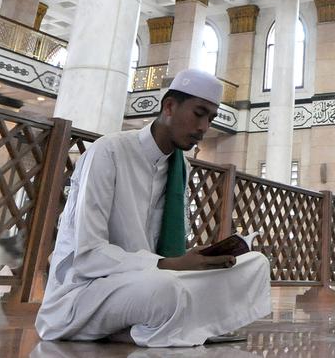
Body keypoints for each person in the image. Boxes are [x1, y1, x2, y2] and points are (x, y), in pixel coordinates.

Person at [35, 69, 271, 347]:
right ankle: (160, 328)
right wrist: (170, 265)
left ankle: (165, 325)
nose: (204, 127)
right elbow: (88, 255)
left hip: (149, 278)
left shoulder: (180, 166)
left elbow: (166, 251)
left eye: (210, 119)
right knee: (166, 290)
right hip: (87, 290)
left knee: (255, 265)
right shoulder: (108, 152)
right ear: (169, 106)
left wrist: (195, 260)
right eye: (199, 114)